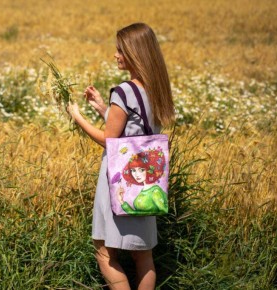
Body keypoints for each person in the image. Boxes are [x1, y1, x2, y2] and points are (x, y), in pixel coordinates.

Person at [67, 23, 175, 290]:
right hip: (146, 182)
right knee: (143, 255)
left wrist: (78, 117)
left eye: (120, 50)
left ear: (134, 52)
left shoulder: (125, 91)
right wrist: (104, 108)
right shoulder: (157, 87)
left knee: (104, 253)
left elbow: (110, 140)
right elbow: (136, 132)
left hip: (119, 182)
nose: (115, 55)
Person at [118, 148, 168, 215]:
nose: (136, 174)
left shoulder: (155, 192)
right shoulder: (145, 190)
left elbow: (164, 211)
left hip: (147, 222)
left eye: (141, 170)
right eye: (133, 170)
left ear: (149, 170)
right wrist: (121, 201)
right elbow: (135, 213)